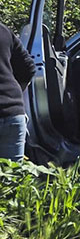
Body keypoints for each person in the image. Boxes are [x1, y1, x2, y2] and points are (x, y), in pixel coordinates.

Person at [0, 21, 36, 161]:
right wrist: (12, 98)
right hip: (14, 115)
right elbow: (29, 68)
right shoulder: (3, 30)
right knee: (12, 177)